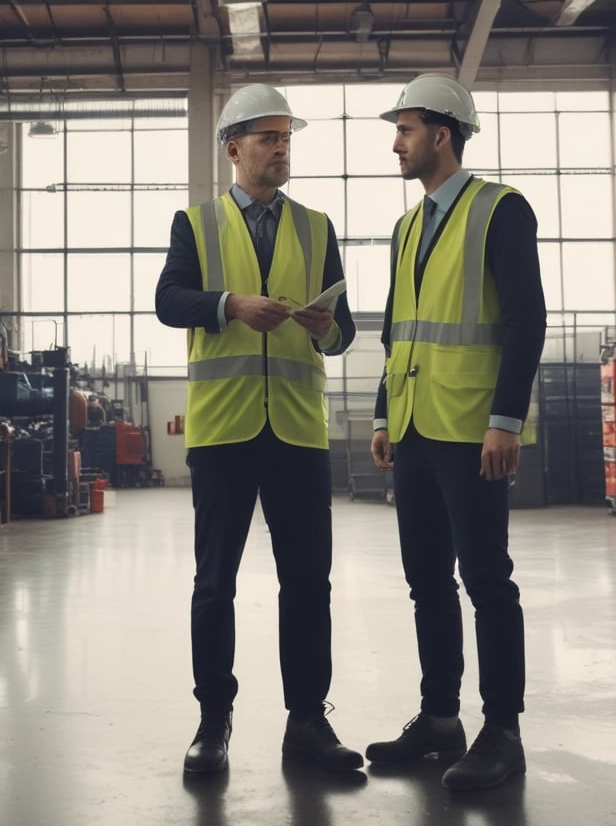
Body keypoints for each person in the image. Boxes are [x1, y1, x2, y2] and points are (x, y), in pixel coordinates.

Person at [155, 83, 362, 775]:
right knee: (215, 583)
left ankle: (307, 721)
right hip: (224, 433)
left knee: (308, 583)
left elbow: (346, 330)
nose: (281, 148)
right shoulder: (197, 224)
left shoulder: (316, 226)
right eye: (269, 137)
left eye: (287, 138)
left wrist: (328, 328)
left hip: (299, 434)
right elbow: (168, 301)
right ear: (233, 146)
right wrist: (228, 304)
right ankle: (213, 723)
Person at [367, 74, 547, 791]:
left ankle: (502, 732)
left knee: (486, 581)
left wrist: (505, 419)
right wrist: (384, 412)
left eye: (405, 129)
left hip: (474, 429)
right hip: (413, 426)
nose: (396, 143)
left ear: (442, 134)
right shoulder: (408, 226)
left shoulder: (500, 209)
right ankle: (441, 717)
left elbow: (525, 319)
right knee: (426, 583)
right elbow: (397, 328)